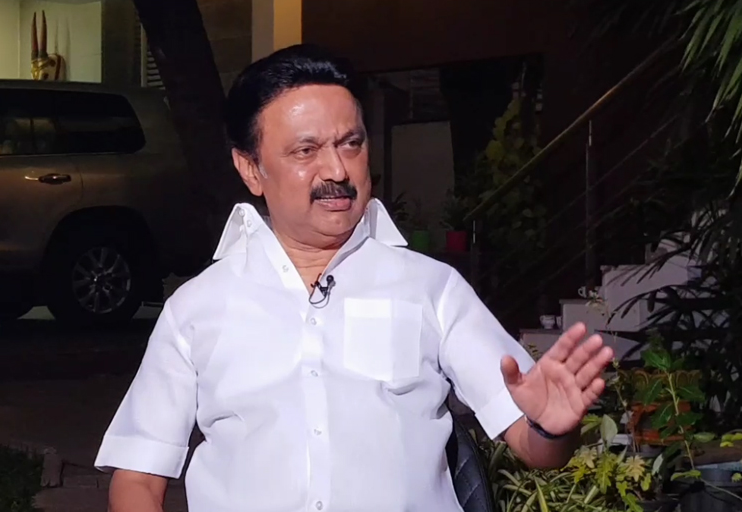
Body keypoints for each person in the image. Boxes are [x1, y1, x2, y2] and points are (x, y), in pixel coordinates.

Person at [95, 44, 614, 512]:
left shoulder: (431, 289)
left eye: (351, 144)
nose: (337, 171)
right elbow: (137, 477)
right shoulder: (196, 308)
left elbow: (534, 445)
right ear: (250, 169)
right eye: (306, 151)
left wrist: (551, 427)